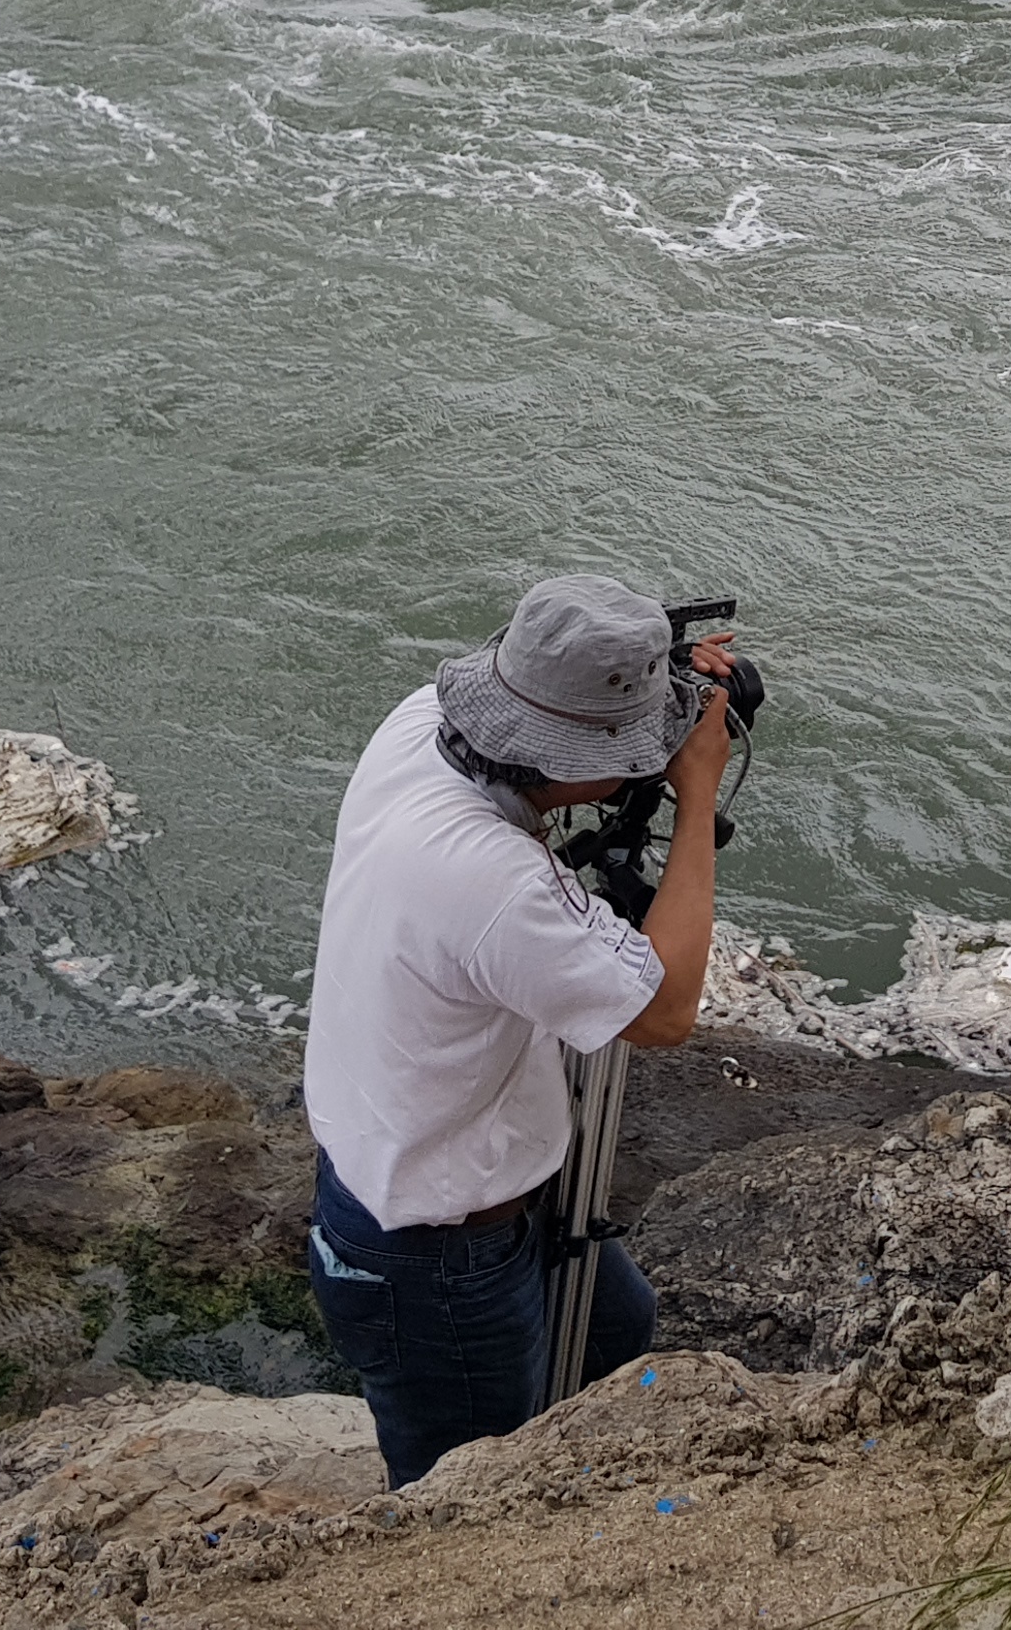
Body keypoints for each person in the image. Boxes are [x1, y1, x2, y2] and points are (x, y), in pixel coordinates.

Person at [297, 575, 742, 1485]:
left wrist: (638, 674)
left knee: (614, 1335)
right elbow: (663, 1012)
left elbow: (565, 674)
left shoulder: (420, 723)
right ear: (568, 755)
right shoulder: (492, 880)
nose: (642, 761)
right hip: (436, 1253)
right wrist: (696, 796)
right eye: (630, 747)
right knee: (465, 1492)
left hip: (451, 1180)